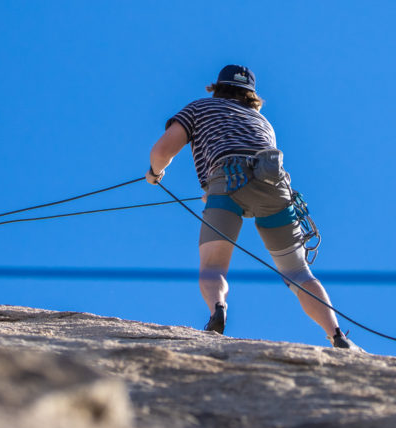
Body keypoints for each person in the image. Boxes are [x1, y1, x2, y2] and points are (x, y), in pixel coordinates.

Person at [146, 65, 360, 350]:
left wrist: (155, 173)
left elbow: (162, 151)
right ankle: (336, 335)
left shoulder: (199, 108)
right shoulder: (263, 122)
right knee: (298, 273)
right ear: (251, 94)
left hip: (227, 181)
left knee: (213, 267)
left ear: (217, 87)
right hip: (275, 186)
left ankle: (217, 310)